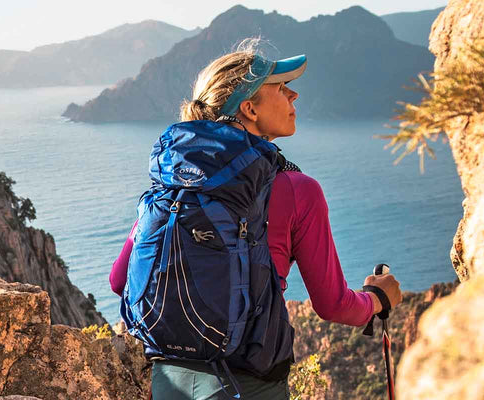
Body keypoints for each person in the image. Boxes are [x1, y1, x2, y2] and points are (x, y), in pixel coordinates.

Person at [107, 39, 404, 399]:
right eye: (281, 87)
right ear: (249, 108)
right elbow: (334, 305)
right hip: (247, 386)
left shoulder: (173, 182)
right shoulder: (297, 189)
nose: (293, 96)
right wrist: (377, 298)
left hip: (169, 380)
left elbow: (119, 279)